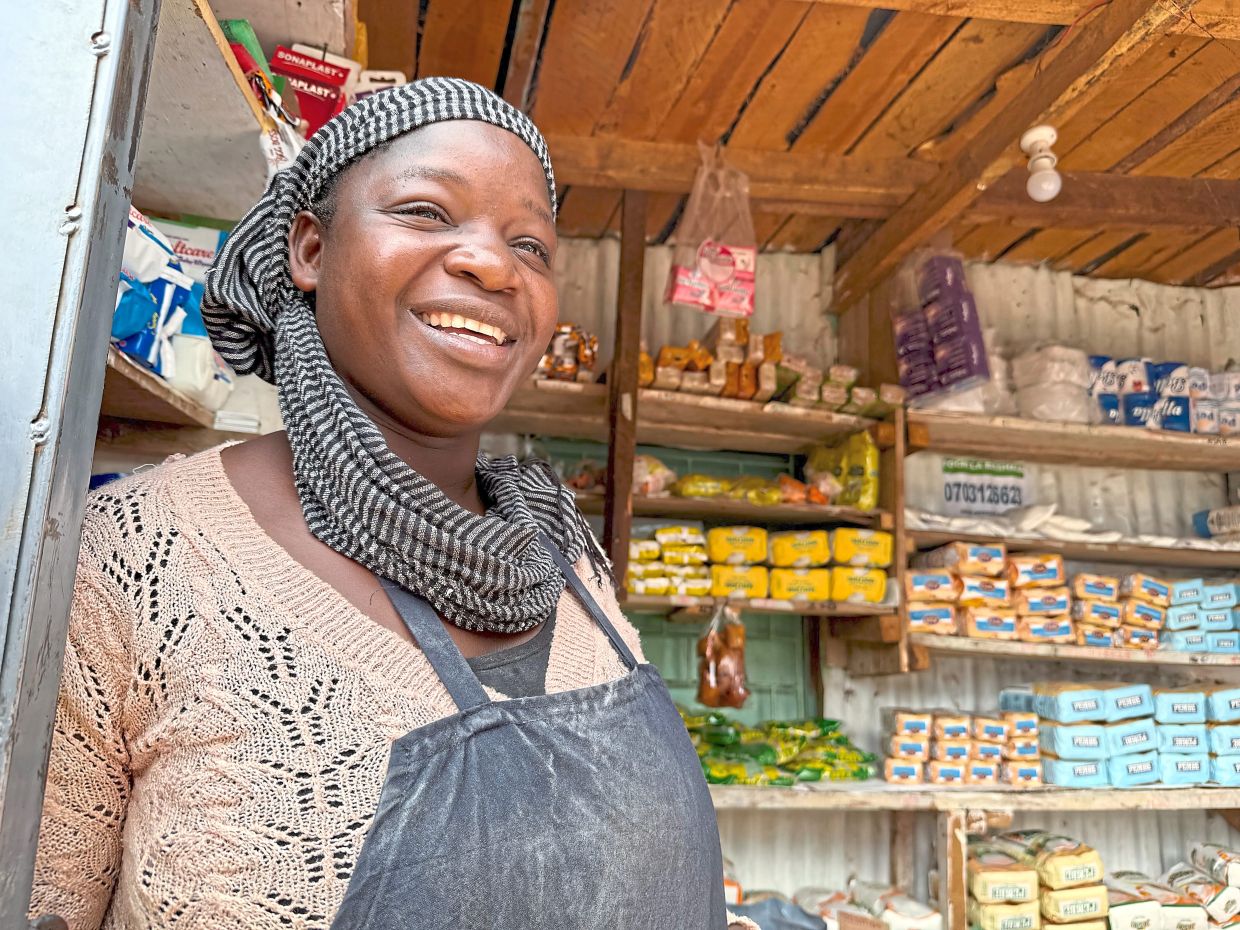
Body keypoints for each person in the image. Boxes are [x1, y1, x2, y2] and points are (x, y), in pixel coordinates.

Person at [30, 78, 756, 929]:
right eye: (425, 211)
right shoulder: (133, 560)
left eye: (531, 245)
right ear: (309, 249)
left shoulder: (566, 559)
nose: (492, 263)